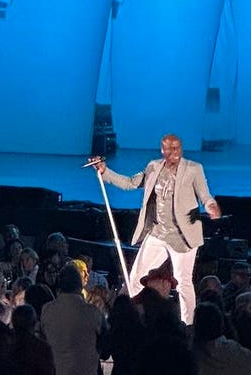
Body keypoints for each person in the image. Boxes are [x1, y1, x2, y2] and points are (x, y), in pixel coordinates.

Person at [92, 134, 221, 325]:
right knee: (136, 277)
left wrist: (211, 206)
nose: (175, 152)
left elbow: (204, 195)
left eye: (178, 148)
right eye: (171, 149)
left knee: (183, 282)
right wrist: (105, 172)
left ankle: (189, 325)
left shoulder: (194, 169)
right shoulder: (153, 167)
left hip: (182, 237)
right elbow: (130, 183)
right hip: (158, 233)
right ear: (163, 150)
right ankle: (128, 317)